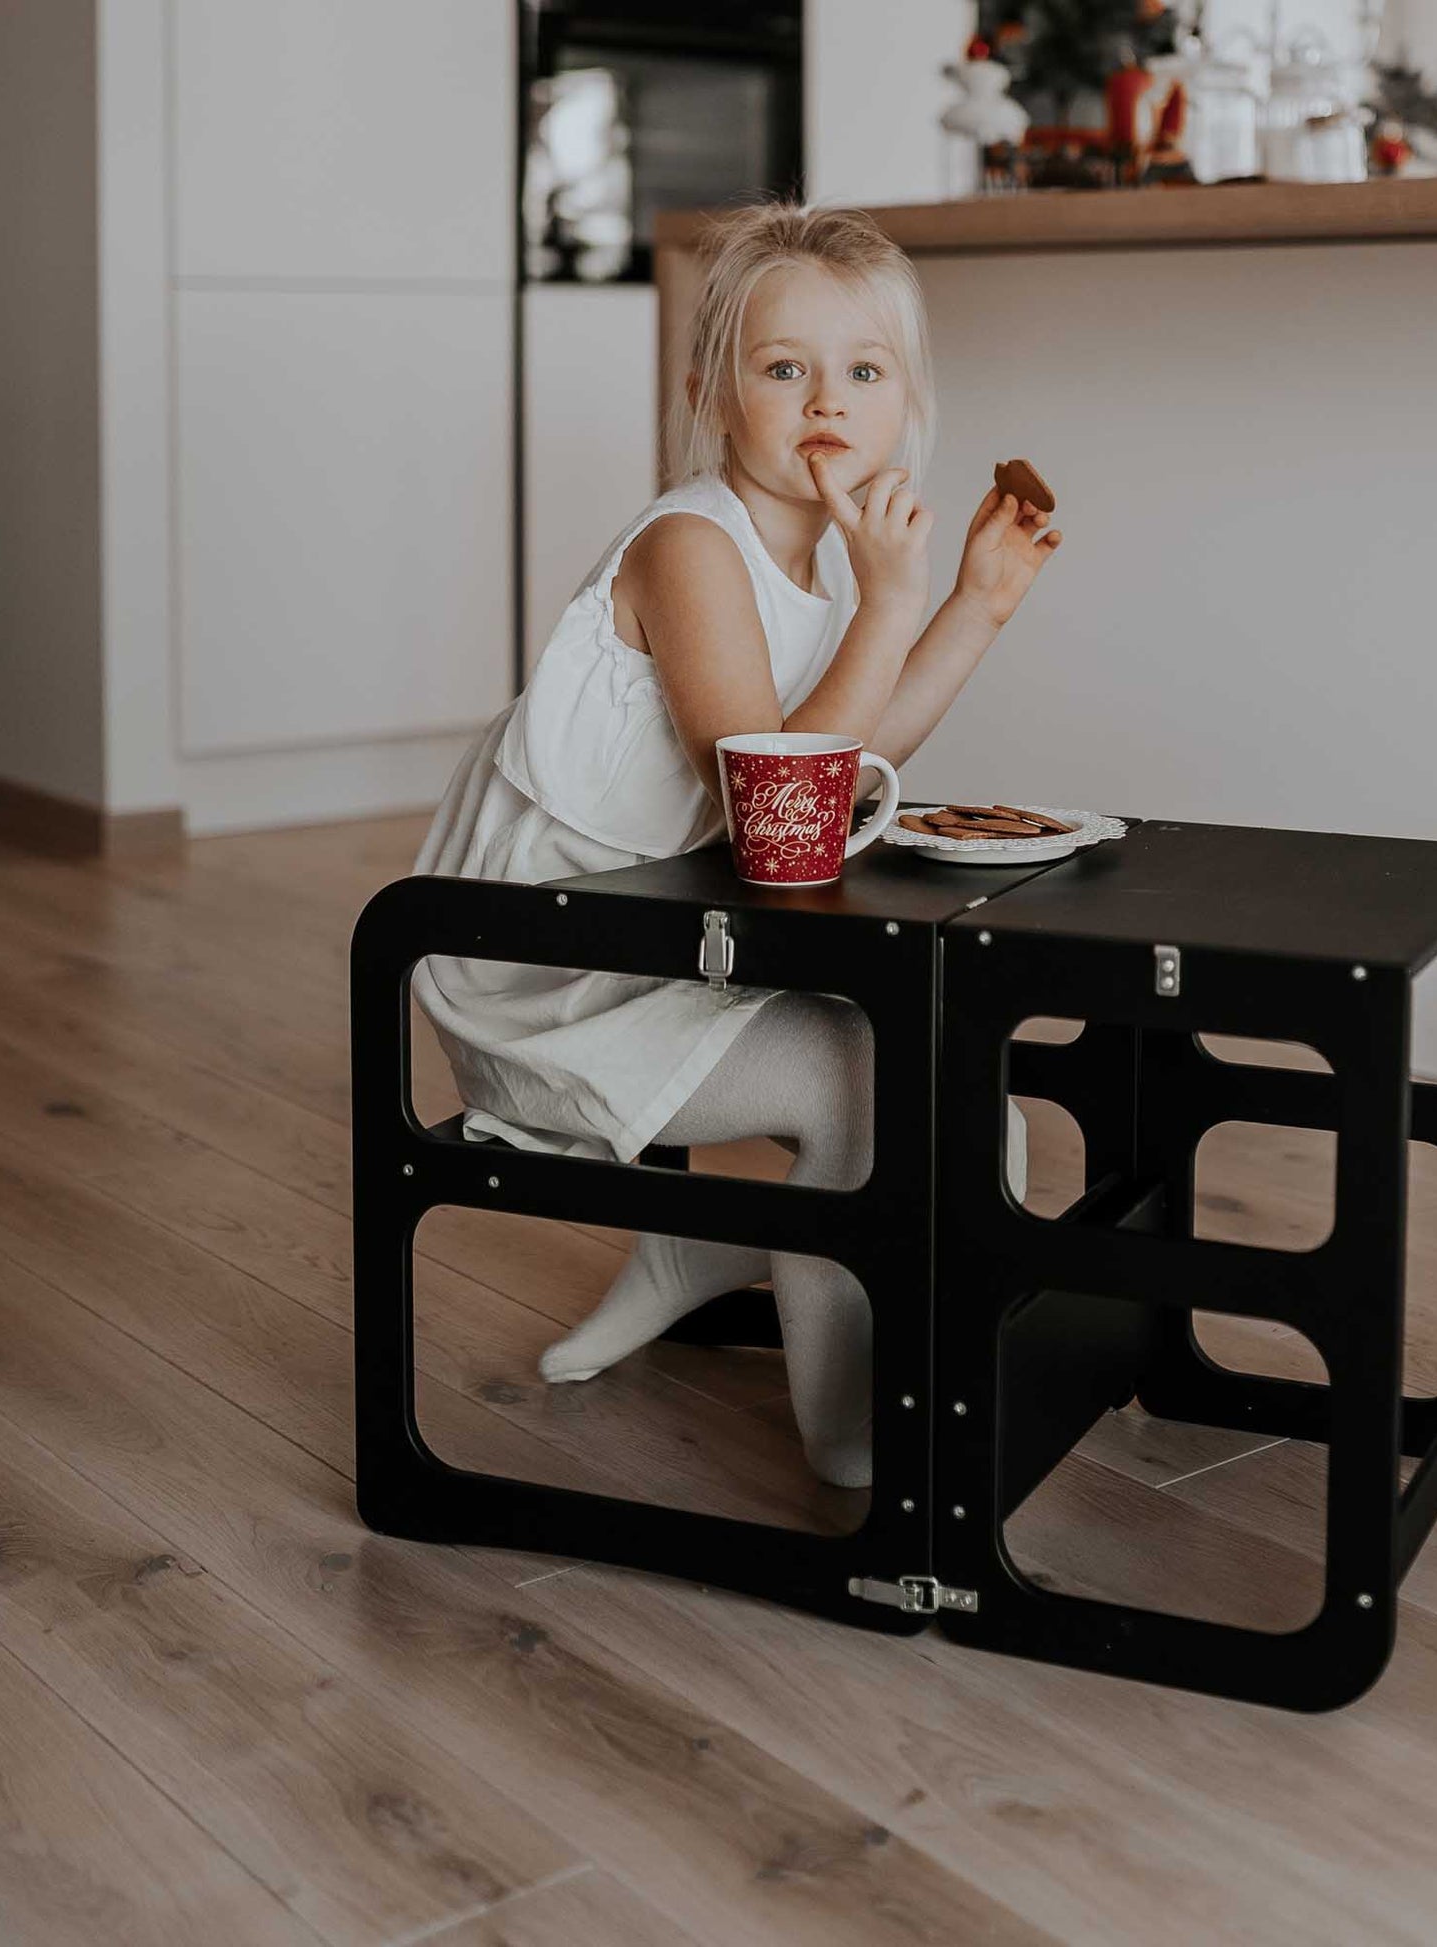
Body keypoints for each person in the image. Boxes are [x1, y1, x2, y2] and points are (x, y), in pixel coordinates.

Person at [412, 199, 1064, 1488]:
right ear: (717, 389)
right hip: (545, 978)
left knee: (951, 1039)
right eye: (785, 369)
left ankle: (762, 1278)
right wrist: (893, 600)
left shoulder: (820, 564)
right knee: (857, 1073)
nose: (827, 399)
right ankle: (854, 1442)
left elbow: (861, 747)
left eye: (864, 373)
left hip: (663, 936)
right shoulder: (690, 549)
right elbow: (788, 820)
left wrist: (972, 606)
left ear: (905, 406)